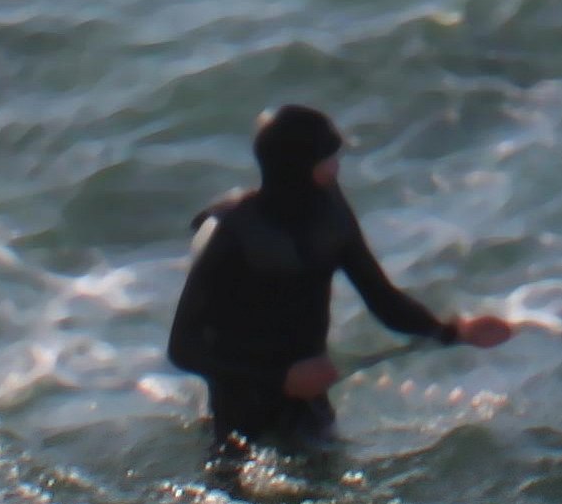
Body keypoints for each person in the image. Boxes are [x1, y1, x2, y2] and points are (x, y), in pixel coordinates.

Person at [163, 102, 511, 451]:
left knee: (324, 473)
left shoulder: (331, 216)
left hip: (309, 404)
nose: (336, 166)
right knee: (239, 481)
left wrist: (454, 332)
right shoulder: (237, 234)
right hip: (240, 409)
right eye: (326, 159)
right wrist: (280, 379)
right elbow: (183, 348)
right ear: (300, 168)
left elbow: (382, 299)